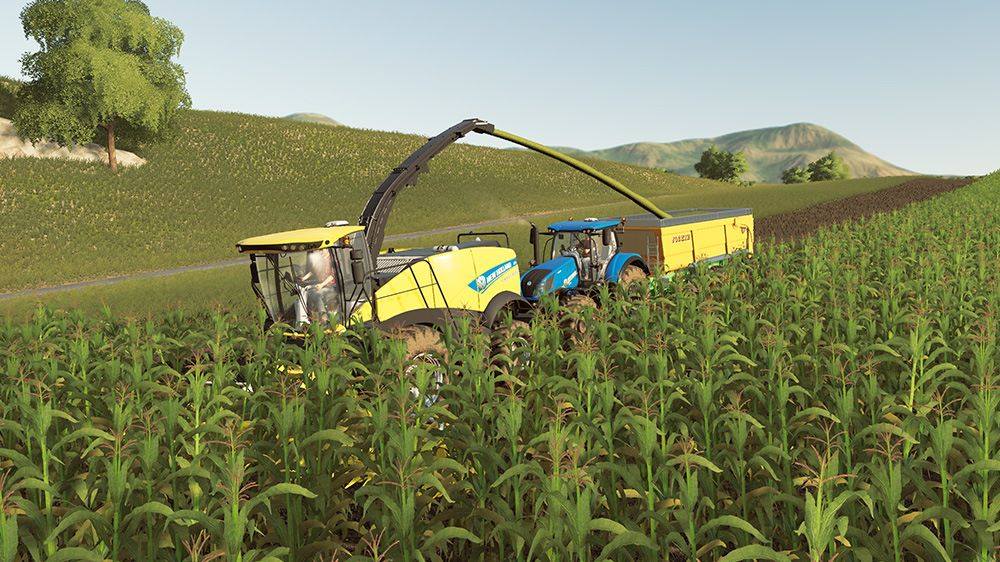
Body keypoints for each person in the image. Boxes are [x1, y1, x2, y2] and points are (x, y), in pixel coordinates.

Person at [299, 250, 338, 321]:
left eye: (322, 250)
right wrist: (303, 278)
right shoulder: (320, 260)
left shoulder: (332, 260)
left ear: (327, 250)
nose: (320, 252)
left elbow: (332, 276)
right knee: (308, 292)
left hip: (331, 286)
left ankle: (323, 318)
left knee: (317, 295)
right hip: (321, 284)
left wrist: (322, 285)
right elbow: (313, 271)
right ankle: (311, 318)